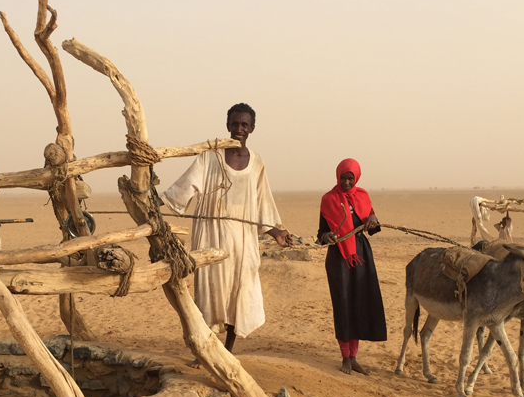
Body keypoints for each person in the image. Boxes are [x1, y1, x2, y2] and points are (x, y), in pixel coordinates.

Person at [162, 103, 292, 352]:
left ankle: (228, 351)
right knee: (209, 292)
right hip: (211, 236)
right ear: (227, 125)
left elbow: (262, 200)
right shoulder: (210, 156)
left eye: (244, 124)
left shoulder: (257, 162)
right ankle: (205, 351)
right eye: (235, 123)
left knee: (239, 292)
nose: (239, 128)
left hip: (242, 241)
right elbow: (185, 185)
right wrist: (155, 202)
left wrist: (276, 233)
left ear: (252, 128)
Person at [318, 158, 386, 374]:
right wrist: (327, 235)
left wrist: (374, 219)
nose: (346, 182)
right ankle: (345, 357)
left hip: (362, 255)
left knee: (360, 303)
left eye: (351, 178)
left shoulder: (363, 196)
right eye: (343, 178)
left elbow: (372, 229)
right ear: (337, 177)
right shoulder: (328, 199)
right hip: (339, 257)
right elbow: (320, 233)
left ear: (356, 178)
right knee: (343, 304)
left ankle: (355, 357)